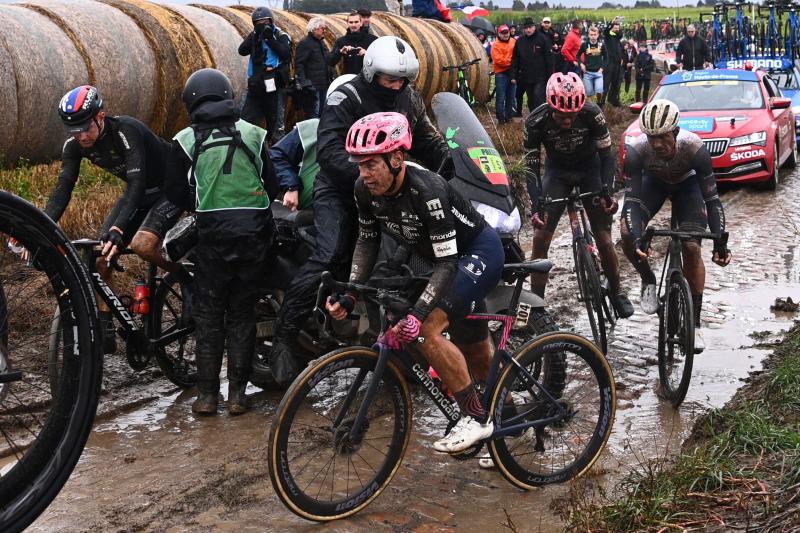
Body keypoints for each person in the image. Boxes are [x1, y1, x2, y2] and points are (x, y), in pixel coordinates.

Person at [268, 36, 453, 387]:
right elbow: (329, 151)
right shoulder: (345, 97)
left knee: (400, 260)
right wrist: (370, 176)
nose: (396, 85)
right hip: (339, 189)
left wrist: (452, 161)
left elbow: (425, 139)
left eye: (402, 79)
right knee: (331, 252)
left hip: (387, 191)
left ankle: (396, 348)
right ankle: (285, 336)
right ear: (371, 73)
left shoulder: (408, 97)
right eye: (389, 79)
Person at [326, 112, 502, 453]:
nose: (363, 173)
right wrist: (350, 294)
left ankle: (476, 418)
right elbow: (367, 241)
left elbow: (449, 261)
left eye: (371, 164)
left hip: (476, 253)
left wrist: (419, 313)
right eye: (359, 165)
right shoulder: (364, 189)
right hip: (438, 260)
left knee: (425, 328)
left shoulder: (428, 190)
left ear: (396, 158)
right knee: (478, 353)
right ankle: (503, 424)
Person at [165, 68, 275, 415]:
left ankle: (207, 397)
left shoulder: (185, 140)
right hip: (254, 234)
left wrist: (202, 201)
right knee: (242, 313)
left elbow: (175, 192)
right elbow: (271, 183)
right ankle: (239, 397)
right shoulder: (255, 134)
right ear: (229, 96)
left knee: (210, 315)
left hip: (212, 234)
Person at [47, 85, 186, 355]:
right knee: (101, 258)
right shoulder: (75, 146)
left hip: (171, 188)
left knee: (143, 245)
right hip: (142, 193)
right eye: (73, 130)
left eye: (86, 127)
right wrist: (39, 226)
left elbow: (136, 183)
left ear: (100, 116)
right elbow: (63, 189)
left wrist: (118, 228)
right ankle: (106, 328)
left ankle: (191, 281)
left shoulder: (126, 131)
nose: (82, 136)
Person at [620, 99, 730, 352]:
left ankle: (695, 324)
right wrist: (638, 238)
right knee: (626, 233)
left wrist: (720, 242)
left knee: (692, 247)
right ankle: (647, 279)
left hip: (687, 187)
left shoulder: (694, 148)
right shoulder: (637, 151)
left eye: (663, 137)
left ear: (676, 132)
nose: (657, 144)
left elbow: (712, 200)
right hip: (654, 184)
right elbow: (632, 203)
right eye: (652, 137)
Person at [524, 72, 634, 318]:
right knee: (540, 238)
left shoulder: (592, 113)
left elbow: (607, 156)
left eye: (572, 115)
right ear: (551, 107)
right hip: (558, 173)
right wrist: (536, 203)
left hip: (590, 170)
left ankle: (616, 291)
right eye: (561, 115)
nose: (567, 121)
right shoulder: (535, 122)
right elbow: (530, 167)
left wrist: (608, 190)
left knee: (605, 240)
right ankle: (537, 308)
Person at [269, 74, 357, 211]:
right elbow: (277, 155)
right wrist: (291, 186)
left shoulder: (372, 136)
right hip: (309, 210)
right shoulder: (310, 128)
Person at [238, 6, 292, 143]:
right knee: (245, 121)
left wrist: (270, 39)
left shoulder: (281, 35)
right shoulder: (255, 36)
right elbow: (242, 50)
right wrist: (254, 36)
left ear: (271, 21)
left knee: (276, 125)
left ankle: (276, 156)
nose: (262, 25)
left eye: (265, 22)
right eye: (258, 23)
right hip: (255, 85)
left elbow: (286, 54)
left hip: (274, 85)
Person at [295, 17, 335, 119]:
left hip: (324, 86)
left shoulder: (321, 42)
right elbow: (299, 65)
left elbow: (329, 60)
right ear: (314, 28)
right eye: (322, 28)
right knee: (313, 116)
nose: (324, 31)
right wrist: (305, 83)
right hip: (313, 89)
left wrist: (339, 52)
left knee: (322, 115)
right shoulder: (305, 43)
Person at [511, 17, 543, 115]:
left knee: (537, 97)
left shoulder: (541, 39)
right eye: (526, 28)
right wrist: (513, 75)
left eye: (530, 27)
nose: (528, 30)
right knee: (525, 97)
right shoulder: (520, 41)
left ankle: (538, 116)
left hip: (539, 76)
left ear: (534, 27)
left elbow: (549, 59)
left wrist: (549, 74)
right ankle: (528, 115)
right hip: (524, 75)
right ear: (524, 29)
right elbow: (515, 59)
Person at [329, 11, 377, 75]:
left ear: (361, 23)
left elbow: (381, 61)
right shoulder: (341, 41)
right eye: (351, 22)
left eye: (356, 22)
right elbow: (331, 62)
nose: (353, 25)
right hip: (350, 79)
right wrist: (340, 52)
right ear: (347, 23)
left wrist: (367, 54)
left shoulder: (372, 40)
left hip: (367, 79)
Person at [491, 25, 516, 124]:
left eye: (507, 32)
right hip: (501, 73)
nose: (505, 35)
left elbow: (517, 55)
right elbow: (499, 61)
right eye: (503, 33)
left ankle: (509, 116)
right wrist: (513, 61)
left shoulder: (514, 41)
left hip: (512, 73)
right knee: (501, 97)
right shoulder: (495, 45)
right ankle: (500, 117)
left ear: (509, 32)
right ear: (499, 33)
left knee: (511, 96)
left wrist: (514, 62)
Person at [577, 26, 606, 107]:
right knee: (588, 94)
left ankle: (599, 103)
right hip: (587, 73)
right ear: (589, 35)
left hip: (598, 73)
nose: (593, 36)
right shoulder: (584, 45)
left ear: (598, 35)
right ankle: (590, 109)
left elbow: (606, 58)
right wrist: (581, 64)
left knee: (599, 91)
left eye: (594, 34)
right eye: (591, 34)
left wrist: (602, 68)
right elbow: (577, 55)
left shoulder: (602, 45)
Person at [602, 17, 624, 107]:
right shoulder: (608, 36)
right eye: (615, 28)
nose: (616, 29)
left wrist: (618, 24)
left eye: (618, 28)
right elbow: (605, 31)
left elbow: (620, 34)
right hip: (609, 63)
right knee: (606, 83)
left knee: (616, 83)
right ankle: (602, 102)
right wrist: (612, 22)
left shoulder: (617, 38)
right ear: (612, 28)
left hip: (617, 64)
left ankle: (613, 100)